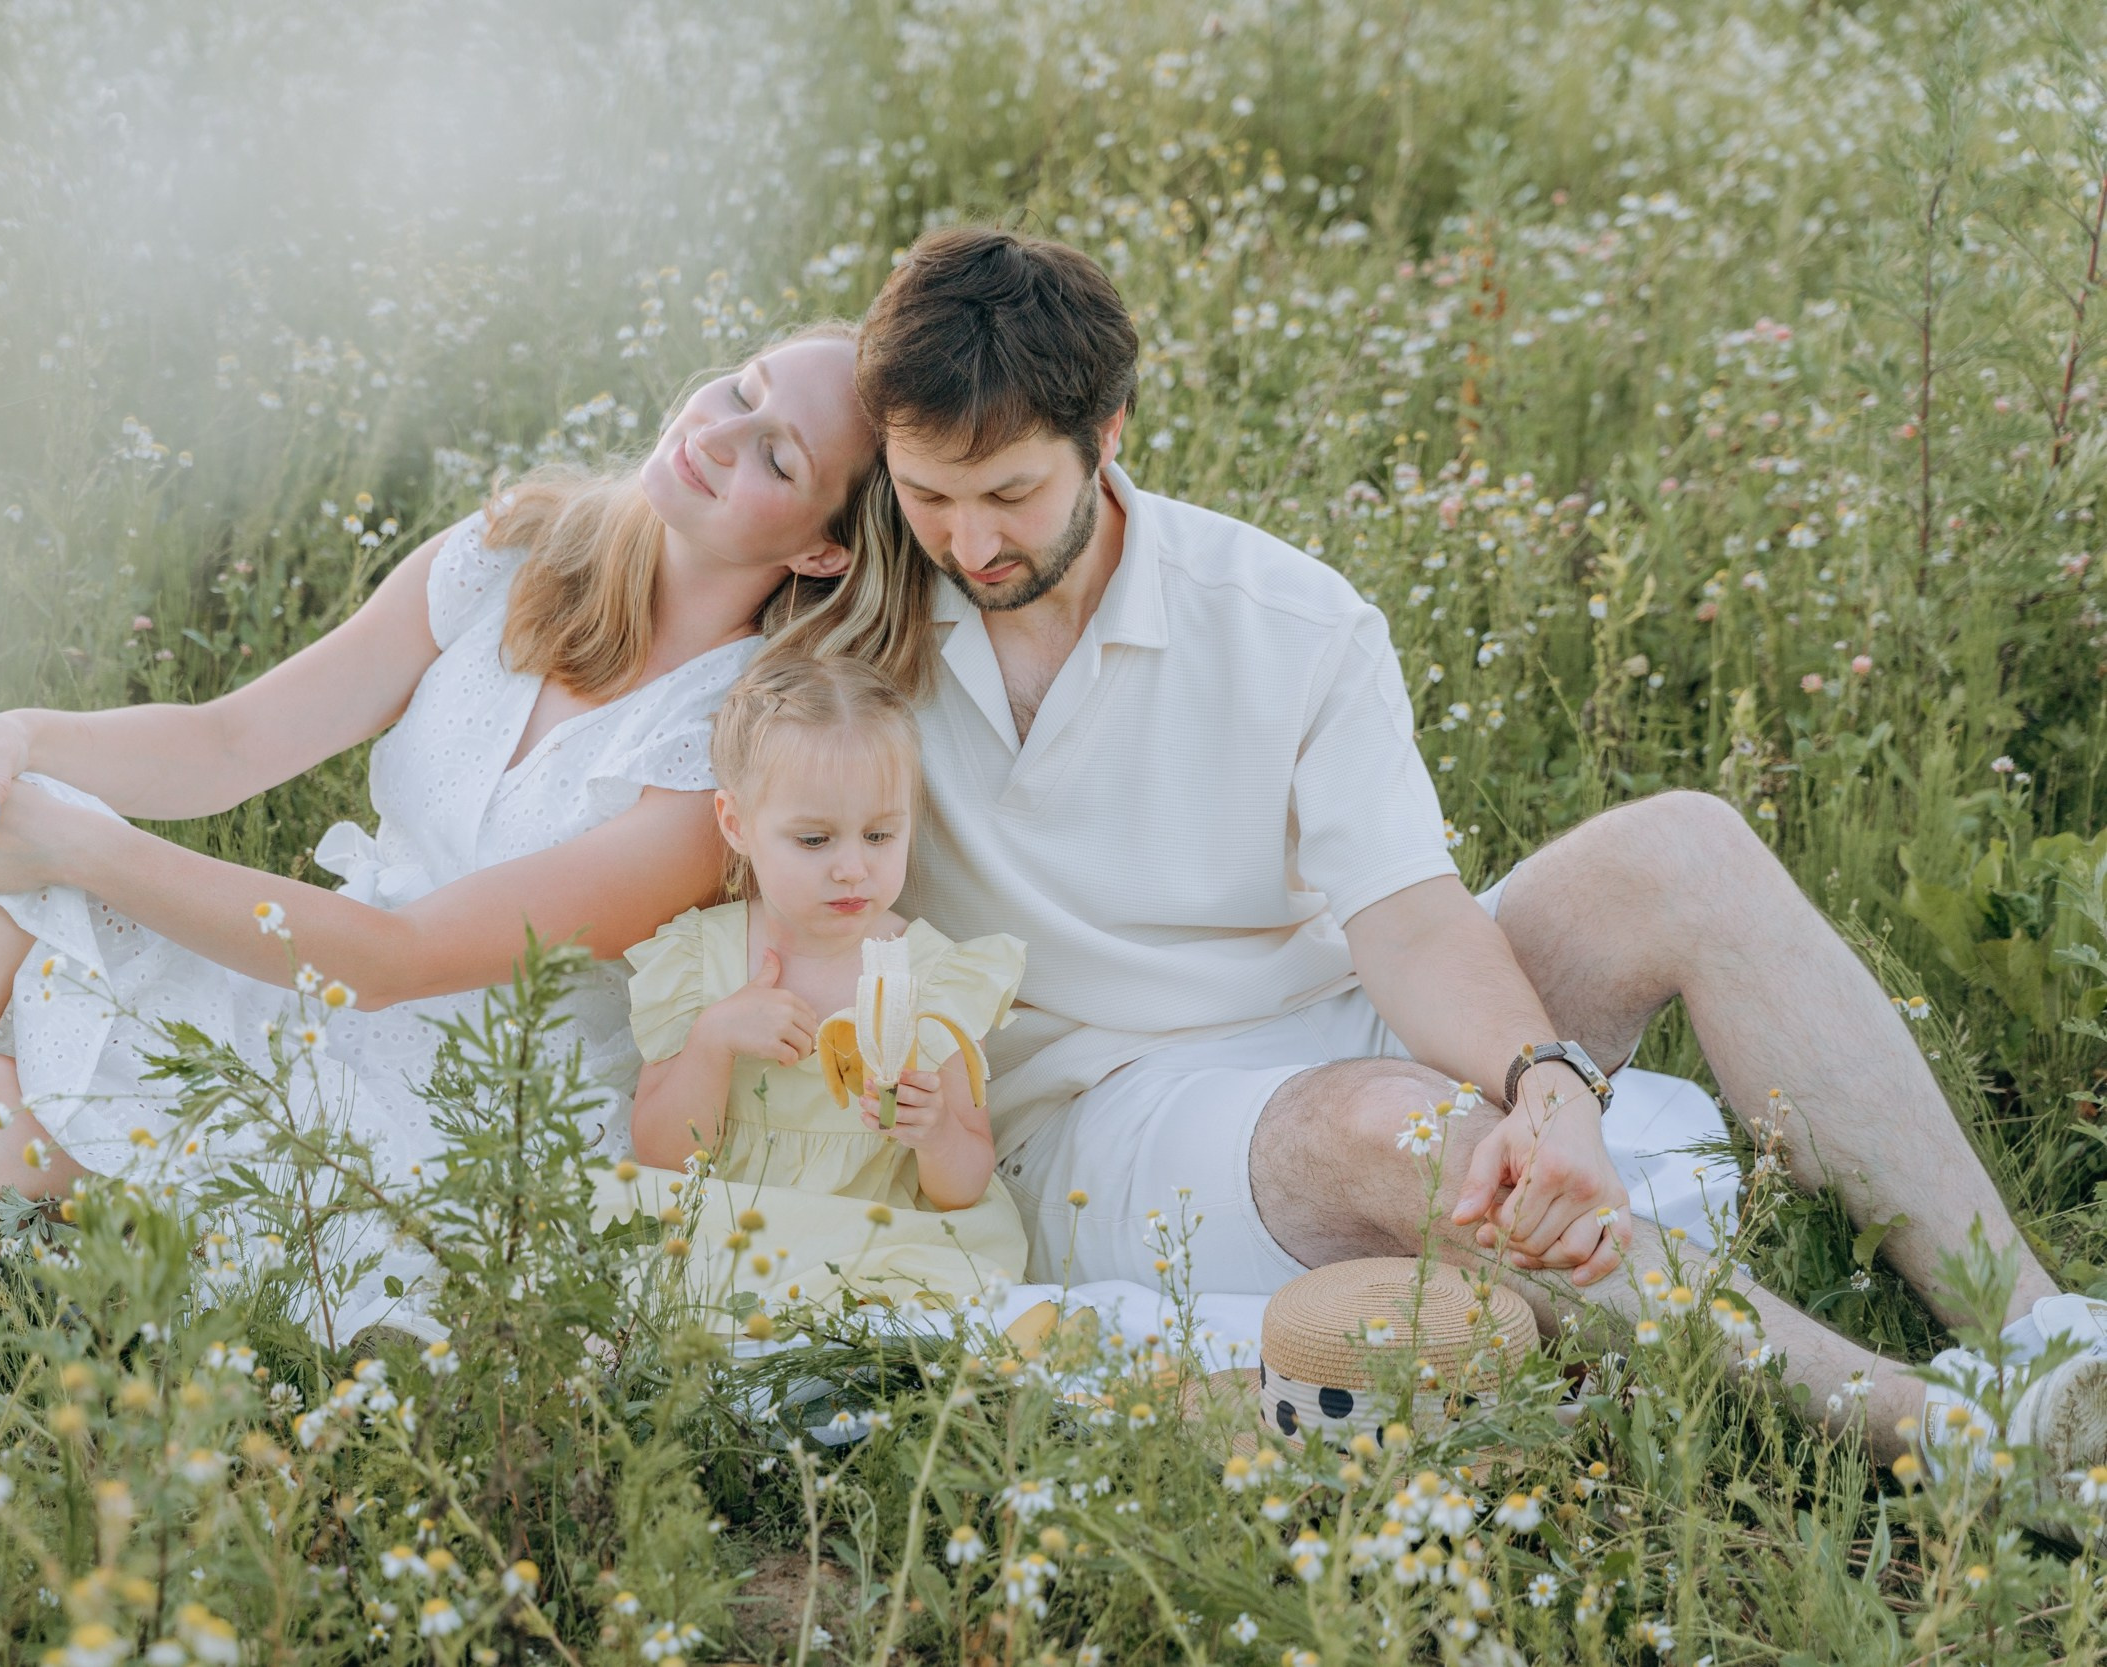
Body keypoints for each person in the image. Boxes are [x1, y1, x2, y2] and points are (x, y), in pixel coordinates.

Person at [854, 225, 2107, 1471]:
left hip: (1337, 1012)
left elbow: (1405, 916)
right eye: (930, 498)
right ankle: (1937, 1433)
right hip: (1103, 1117)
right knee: (1395, 1125)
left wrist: (1547, 1086)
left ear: (1108, 431)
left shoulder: (1283, 615)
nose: (969, 546)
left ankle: (2042, 1334)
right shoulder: (856, 616)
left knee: (1686, 845)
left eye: (1011, 493)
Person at [0, 320, 939, 1354]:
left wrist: (77, 846)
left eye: (777, 454)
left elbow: (410, 956)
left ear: (823, 551)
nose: (722, 430)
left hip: (454, 1107)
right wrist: (22, 735)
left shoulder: (729, 755)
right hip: (305, 993)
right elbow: (234, 740)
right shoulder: (518, 552)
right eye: (742, 388)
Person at [603, 652, 1027, 1314]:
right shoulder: (701, 959)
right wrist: (713, 1040)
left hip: (876, 1242)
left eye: (881, 834)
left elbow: (964, 1183)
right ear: (737, 824)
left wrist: (935, 1131)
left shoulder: (930, 975)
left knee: (936, 1305)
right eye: (814, 840)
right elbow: (660, 1152)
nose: (853, 868)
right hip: (732, 1232)